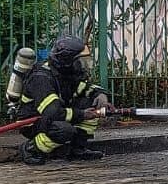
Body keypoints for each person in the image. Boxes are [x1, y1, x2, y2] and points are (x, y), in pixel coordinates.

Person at [16, 35, 115, 165]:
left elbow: (85, 87)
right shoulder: (41, 78)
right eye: (80, 61)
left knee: (91, 103)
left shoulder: (66, 74)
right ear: (67, 61)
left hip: (52, 116)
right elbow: (53, 113)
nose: (84, 65)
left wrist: (101, 95)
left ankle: (77, 149)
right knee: (64, 130)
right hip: (33, 121)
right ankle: (31, 148)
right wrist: (82, 114)